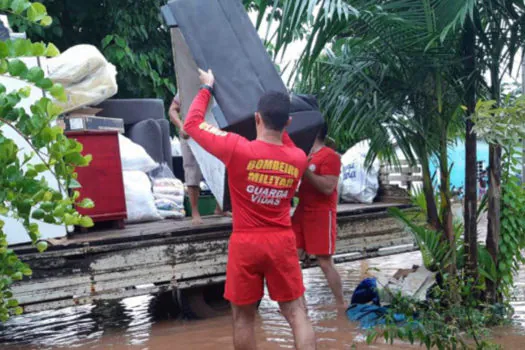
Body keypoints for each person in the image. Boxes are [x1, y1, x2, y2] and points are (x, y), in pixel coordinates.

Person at [183, 68, 316, 350]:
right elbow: (285, 141)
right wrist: (283, 125)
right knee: (297, 313)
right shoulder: (298, 159)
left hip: (246, 243)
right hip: (281, 242)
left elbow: (192, 124)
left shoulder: (237, 149)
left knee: (243, 318)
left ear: (257, 118)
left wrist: (207, 88)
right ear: (288, 123)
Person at [292, 123, 345, 308]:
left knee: (324, 262)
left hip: (321, 214)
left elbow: (328, 187)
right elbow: (305, 190)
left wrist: (305, 170)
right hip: (301, 212)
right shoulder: (307, 156)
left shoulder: (330, 156)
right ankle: (301, 306)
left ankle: (341, 305)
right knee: (291, 257)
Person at [169, 93, 230, 225]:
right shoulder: (185, 87)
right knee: (192, 170)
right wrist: (181, 126)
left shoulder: (216, 88)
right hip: (190, 133)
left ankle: (220, 207)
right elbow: (172, 109)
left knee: (219, 166)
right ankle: (195, 212)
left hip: (211, 131)